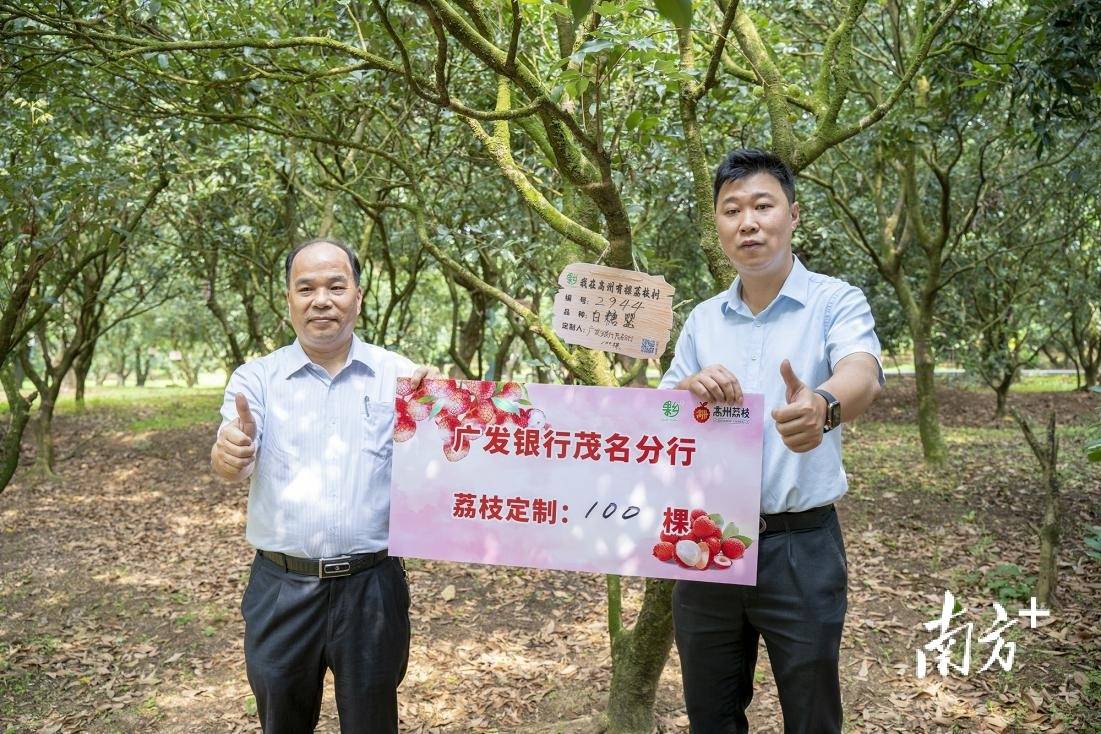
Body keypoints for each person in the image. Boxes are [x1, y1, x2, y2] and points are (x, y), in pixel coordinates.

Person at [660, 149, 884, 733]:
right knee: (711, 712)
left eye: (763, 205)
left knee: (811, 714)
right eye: (731, 210)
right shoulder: (702, 322)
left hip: (800, 547)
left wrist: (824, 405)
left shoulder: (836, 301)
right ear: (717, 226)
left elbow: (862, 371)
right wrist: (687, 388)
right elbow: (660, 414)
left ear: (793, 214)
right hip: (706, 545)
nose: (748, 222)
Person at [210, 238, 436, 733]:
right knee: (282, 720)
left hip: (372, 587)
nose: (321, 299)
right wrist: (230, 452)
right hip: (282, 589)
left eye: (337, 286)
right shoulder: (257, 380)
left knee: (373, 722)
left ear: (358, 295)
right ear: (288, 298)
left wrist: (443, 404)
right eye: (305, 287)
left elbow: (441, 468)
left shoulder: (400, 376)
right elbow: (233, 457)